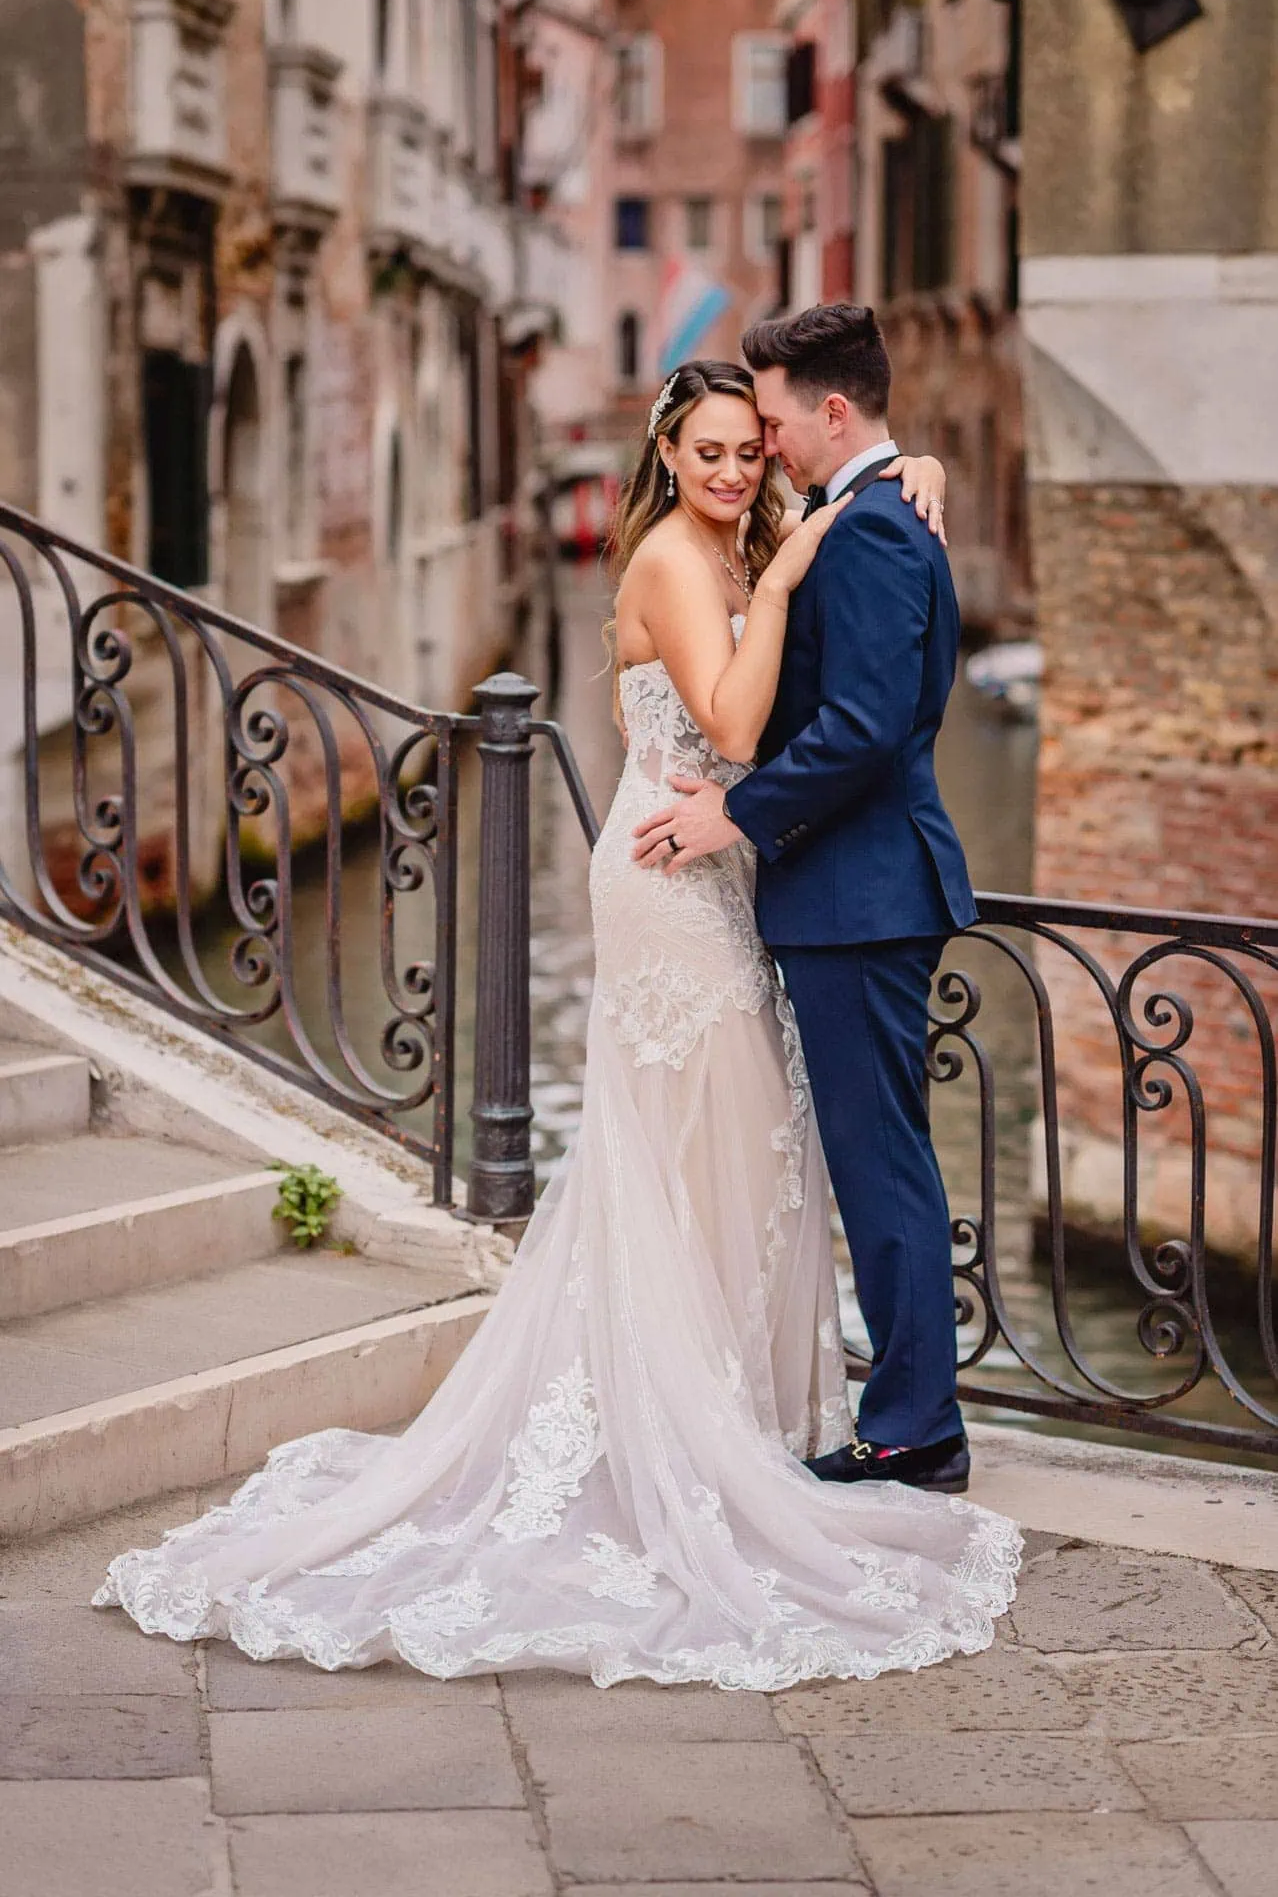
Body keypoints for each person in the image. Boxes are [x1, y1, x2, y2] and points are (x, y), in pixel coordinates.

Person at [94, 355, 1019, 1692]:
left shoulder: (744, 538)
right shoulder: (667, 561)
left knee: (739, 1151)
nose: (730, 469)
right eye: (705, 450)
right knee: (692, 1143)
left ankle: (735, 1415)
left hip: (719, 876)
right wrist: (800, 550)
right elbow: (740, 717)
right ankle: (673, 1429)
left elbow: (835, 577)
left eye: (745, 451)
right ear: (663, 453)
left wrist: (893, 481)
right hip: (668, 885)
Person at [632, 305, 977, 1497]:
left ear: (833, 412)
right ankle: (906, 1411)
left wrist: (734, 813)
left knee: (881, 1166)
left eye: (771, 426)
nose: (760, 450)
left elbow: (869, 727)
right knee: (875, 1160)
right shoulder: (861, 510)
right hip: (844, 892)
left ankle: (916, 1431)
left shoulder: (875, 526)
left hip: (861, 894)